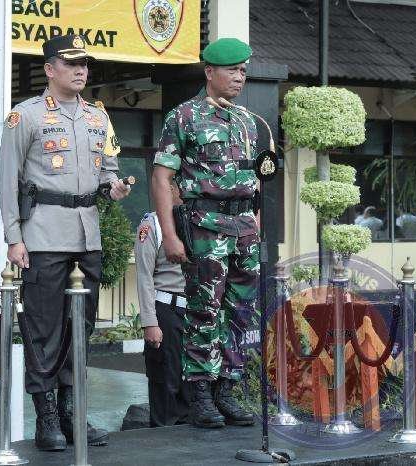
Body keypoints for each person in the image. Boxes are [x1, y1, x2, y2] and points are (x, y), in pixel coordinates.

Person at [0, 34, 131, 451]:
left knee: (80, 329)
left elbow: (108, 171)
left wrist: (115, 187)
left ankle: (74, 412)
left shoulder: (98, 117)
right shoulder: (26, 116)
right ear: (49, 69)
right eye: (71, 63)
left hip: (87, 236)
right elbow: (7, 180)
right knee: (44, 331)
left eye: (84, 64)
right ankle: (47, 418)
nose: (80, 71)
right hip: (42, 236)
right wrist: (14, 238)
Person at [151, 37, 259, 428]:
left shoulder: (246, 121)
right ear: (209, 72)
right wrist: (169, 234)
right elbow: (162, 178)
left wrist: (256, 222)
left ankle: (226, 390)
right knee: (203, 311)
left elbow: (253, 178)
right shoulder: (184, 117)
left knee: (240, 312)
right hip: (205, 227)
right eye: (232, 70)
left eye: (243, 70)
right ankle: (200, 394)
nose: (239, 77)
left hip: (244, 229)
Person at [135, 185, 191, 427]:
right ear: (169, 188)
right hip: (165, 310)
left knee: (191, 385)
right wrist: (150, 322)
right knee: (166, 382)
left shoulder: (197, 220)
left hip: (194, 312)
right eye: (183, 184)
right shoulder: (152, 224)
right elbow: (144, 276)